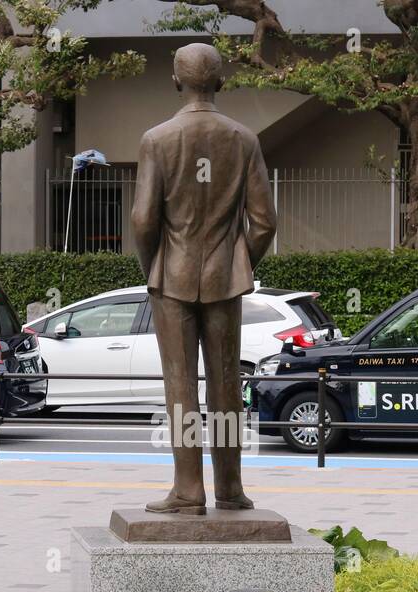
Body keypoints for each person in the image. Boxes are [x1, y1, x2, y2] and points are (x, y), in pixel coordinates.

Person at [131, 42, 277, 515]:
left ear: (176, 82)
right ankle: (230, 487)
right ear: (221, 80)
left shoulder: (157, 139)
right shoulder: (244, 139)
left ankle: (188, 489)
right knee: (226, 382)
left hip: (171, 274)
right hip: (224, 278)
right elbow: (265, 223)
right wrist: (240, 264)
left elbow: (143, 220)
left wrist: (152, 265)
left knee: (180, 385)